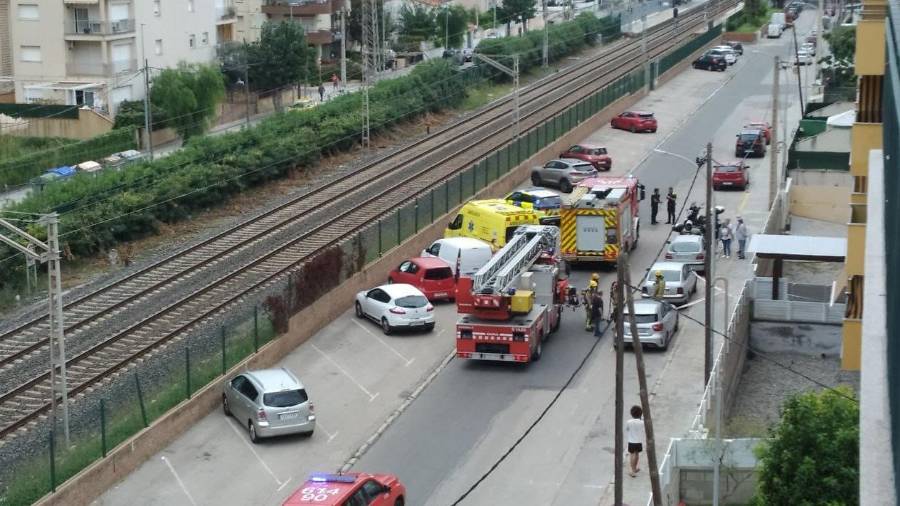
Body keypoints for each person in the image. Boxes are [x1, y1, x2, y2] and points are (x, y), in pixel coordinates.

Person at [626, 405, 646, 478]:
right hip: (639, 441)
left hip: (631, 441)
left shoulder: (629, 422)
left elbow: (627, 429)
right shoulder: (642, 422)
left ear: (632, 414)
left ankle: (632, 470)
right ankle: (635, 468)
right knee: (637, 454)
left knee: (632, 455)